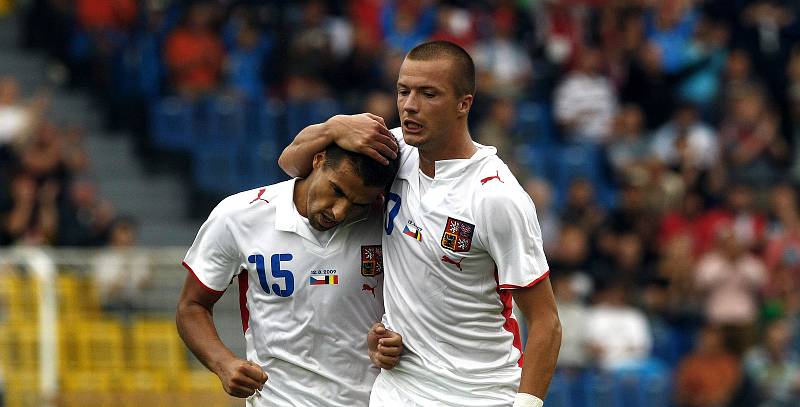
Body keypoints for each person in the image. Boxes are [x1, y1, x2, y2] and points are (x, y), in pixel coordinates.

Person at [279, 40, 561, 407]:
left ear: (464, 103)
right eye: (403, 91)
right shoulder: (391, 150)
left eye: (429, 94)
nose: (410, 105)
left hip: (477, 395)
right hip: (399, 388)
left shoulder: (496, 197)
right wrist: (335, 127)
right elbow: (291, 164)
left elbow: (546, 322)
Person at [176, 143, 403, 406]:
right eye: (336, 190)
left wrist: (397, 339)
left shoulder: (388, 220)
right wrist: (223, 363)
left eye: (357, 203)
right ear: (318, 160)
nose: (339, 211)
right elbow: (191, 306)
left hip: (371, 400)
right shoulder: (238, 216)